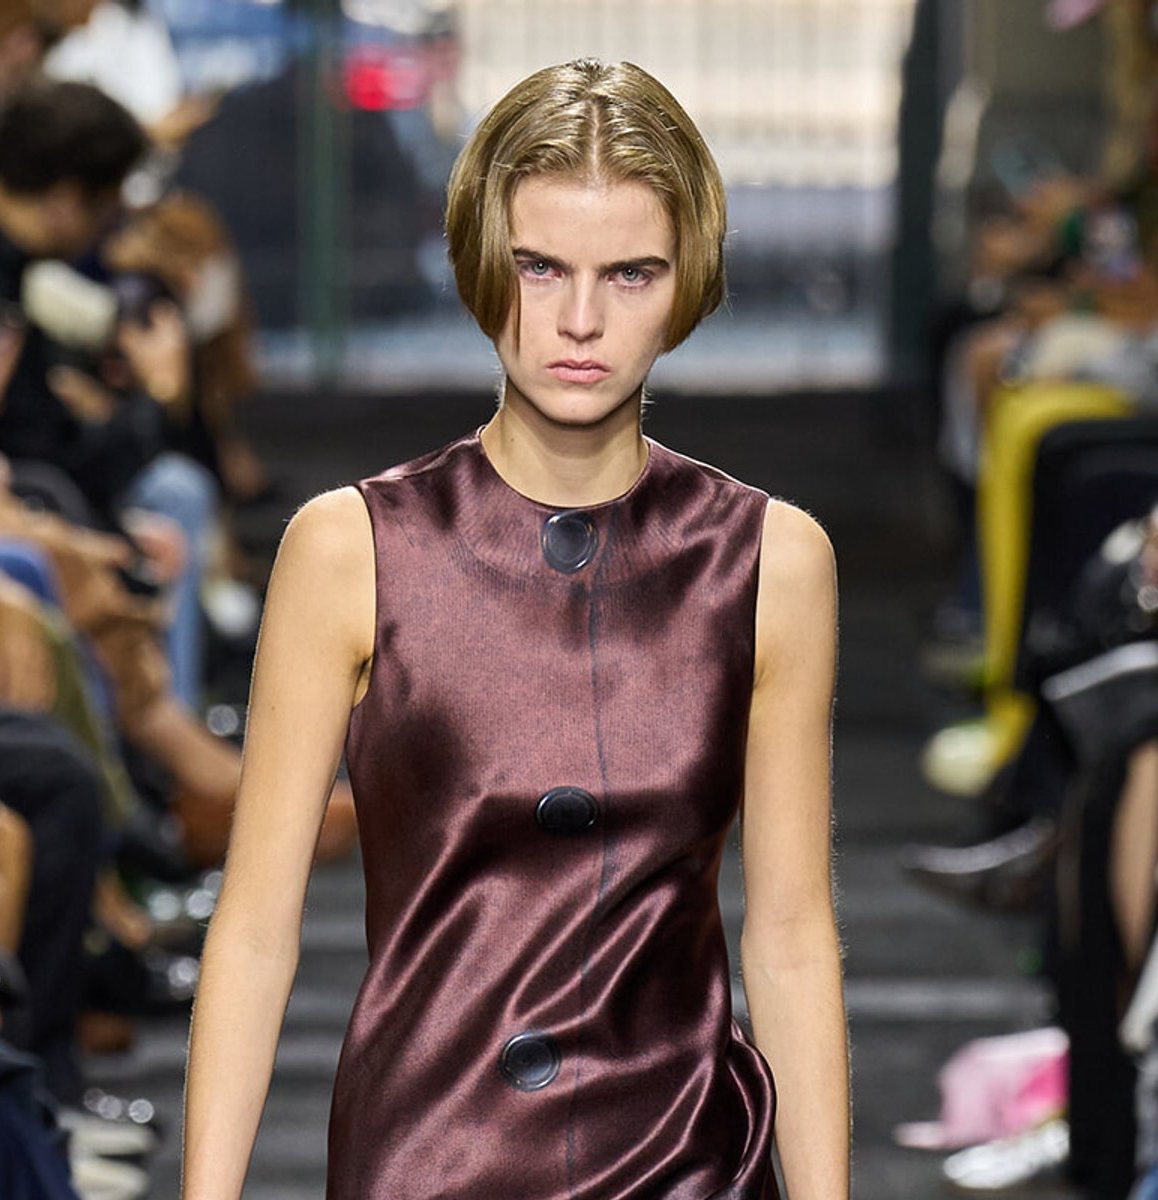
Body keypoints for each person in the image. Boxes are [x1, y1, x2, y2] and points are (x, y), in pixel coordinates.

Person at [182, 58, 850, 1200]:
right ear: (482, 266)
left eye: (630, 273)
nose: (579, 320)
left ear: (687, 283)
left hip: (684, 1162)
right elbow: (252, 933)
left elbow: (787, 935)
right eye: (540, 267)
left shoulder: (772, 562)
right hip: (428, 1157)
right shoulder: (351, 552)